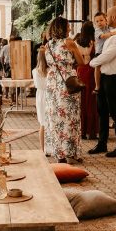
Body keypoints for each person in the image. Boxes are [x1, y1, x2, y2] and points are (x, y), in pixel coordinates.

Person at [89, 6, 116, 157]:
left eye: (107, 16)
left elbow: (107, 56)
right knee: (102, 111)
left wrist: (92, 63)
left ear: (113, 17)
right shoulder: (111, 34)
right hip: (105, 76)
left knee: (115, 112)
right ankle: (102, 143)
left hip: (114, 77)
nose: (105, 19)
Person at [45, 16, 84, 163]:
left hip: (52, 83)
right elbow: (81, 62)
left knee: (55, 118)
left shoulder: (48, 45)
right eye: (68, 26)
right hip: (67, 82)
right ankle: (72, 152)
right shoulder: (69, 43)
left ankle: (59, 153)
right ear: (62, 27)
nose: (70, 28)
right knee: (70, 118)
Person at [75, 21, 99, 140]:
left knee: (82, 101)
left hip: (80, 71)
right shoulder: (94, 42)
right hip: (91, 71)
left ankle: (82, 131)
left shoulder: (77, 42)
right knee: (91, 101)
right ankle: (92, 131)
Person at [32, 46, 48, 153]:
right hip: (49, 95)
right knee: (50, 123)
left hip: (40, 96)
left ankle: (42, 149)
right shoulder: (50, 71)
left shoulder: (34, 71)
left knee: (42, 123)